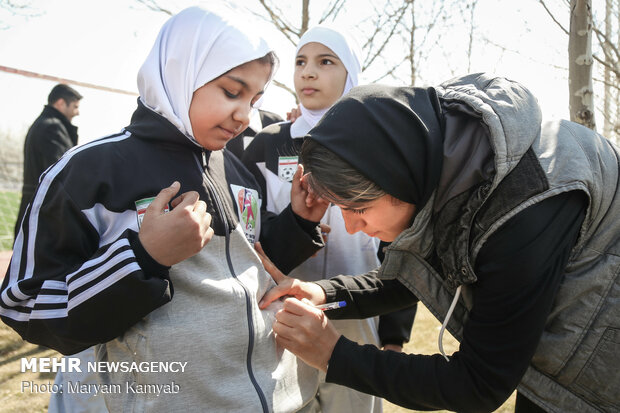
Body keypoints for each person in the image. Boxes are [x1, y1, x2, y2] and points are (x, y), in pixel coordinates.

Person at [1, 7, 328, 412]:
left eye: (254, 98)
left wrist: (299, 222)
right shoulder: (89, 172)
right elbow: (25, 305)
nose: (245, 115)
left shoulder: (238, 171)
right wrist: (143, 257)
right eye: (231, 91)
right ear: (179, 72)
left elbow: (249, 268)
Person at [258, 73, 620, 412]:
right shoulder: (450, 164)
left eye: (360, 208)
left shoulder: (523, 208)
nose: (352, 227)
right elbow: (410, 278)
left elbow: (480, 383)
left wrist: (333, 355)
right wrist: (324, 294)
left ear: (400, 176)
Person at [242, 25, 416, 413]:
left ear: (351, 75)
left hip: (355, 309)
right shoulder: (268, 143)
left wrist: (394, 333)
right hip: (282, 309)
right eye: (301, 62)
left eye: (326, 62)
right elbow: (247, 231)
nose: (308, 72)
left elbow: (402, 248)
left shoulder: (375, 144)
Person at [14, 83, 82, 240]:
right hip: (46, 212)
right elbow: (63, 172)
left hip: (37, 207)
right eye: (75, 107)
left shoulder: (43, 124)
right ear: (60, 103)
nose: (77, 112)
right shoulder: (52, 127)